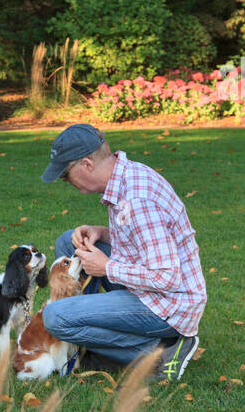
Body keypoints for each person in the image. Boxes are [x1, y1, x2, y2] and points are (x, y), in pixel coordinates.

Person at [39, 124, 206, 383]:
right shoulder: (125, 177)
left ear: (86, 164)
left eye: (65, 174)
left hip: (168, 305)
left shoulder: (137, 199)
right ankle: (92, 342)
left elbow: (168, 277)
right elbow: (140, 239)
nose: (65, 181)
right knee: (68, 244)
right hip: (148, 289)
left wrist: (107, 268)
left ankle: (158, 354)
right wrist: (101, 233)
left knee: (55, 317)